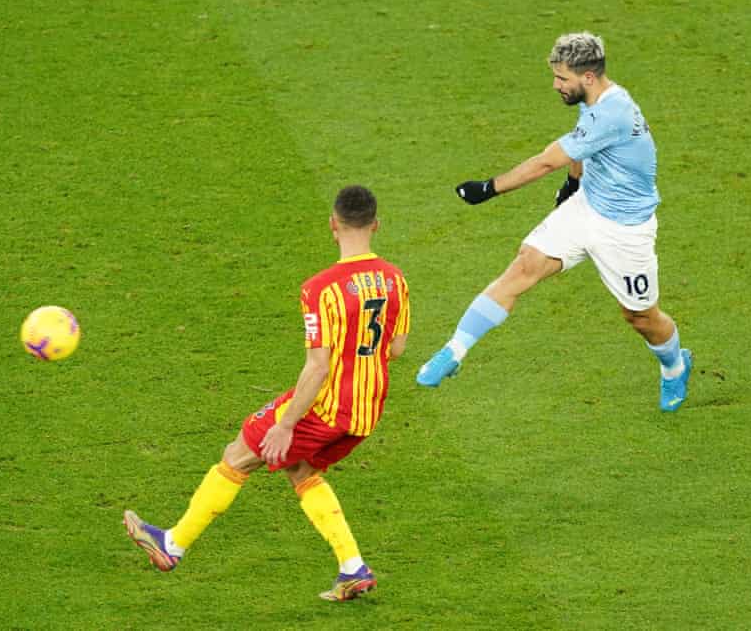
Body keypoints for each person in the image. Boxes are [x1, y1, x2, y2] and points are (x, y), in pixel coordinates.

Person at [124, 185, 410, 601]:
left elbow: (318, 366)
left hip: (326, 405)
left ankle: (172, 546)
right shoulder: (396, 279)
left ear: (333, 225)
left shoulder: (320, 288)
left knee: (238, 453)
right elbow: (396, 349)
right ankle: (353, 568)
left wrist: (287, 424)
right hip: (366, 409)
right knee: (301, 470)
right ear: (376, 225)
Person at [416, 32, 692, 412]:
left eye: (562, 78)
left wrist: (488, 188)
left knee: (641, 317)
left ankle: (675, 366)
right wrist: (574, 183)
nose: (555, 85)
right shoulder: (595, 100)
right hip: (586, 207)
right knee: (523, 266)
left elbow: (547, 160)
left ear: (588, 77)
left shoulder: (612, 113)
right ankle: (455, 350)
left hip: (625, 230)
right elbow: (582, 143)